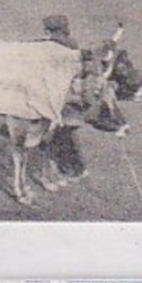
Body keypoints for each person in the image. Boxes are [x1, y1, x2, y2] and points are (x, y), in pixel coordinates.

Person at [40, 14, 89, 184]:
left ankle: (58, 172)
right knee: (69, 138)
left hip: (60, 102)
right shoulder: (72, 44)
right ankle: (77, 168)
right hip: (72, 102)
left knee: (54, 139)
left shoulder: (51, 47)